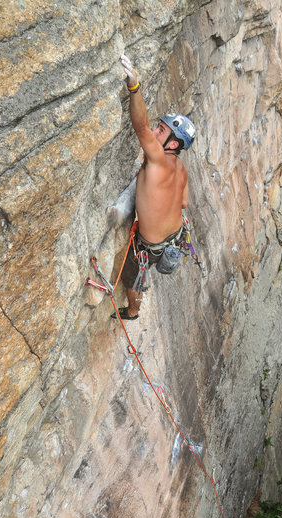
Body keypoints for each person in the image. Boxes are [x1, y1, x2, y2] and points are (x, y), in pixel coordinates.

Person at [113, 54, 196, 320]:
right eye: (159, 128)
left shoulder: (159, 160)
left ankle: (133, 311)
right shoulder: (181, 170)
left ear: (173, 144)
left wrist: (134, 86)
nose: (155, 132)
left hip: (150, 247)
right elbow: (184, 203)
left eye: (161, 130)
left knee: (131, 276)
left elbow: (140, 128)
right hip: (174, 237)